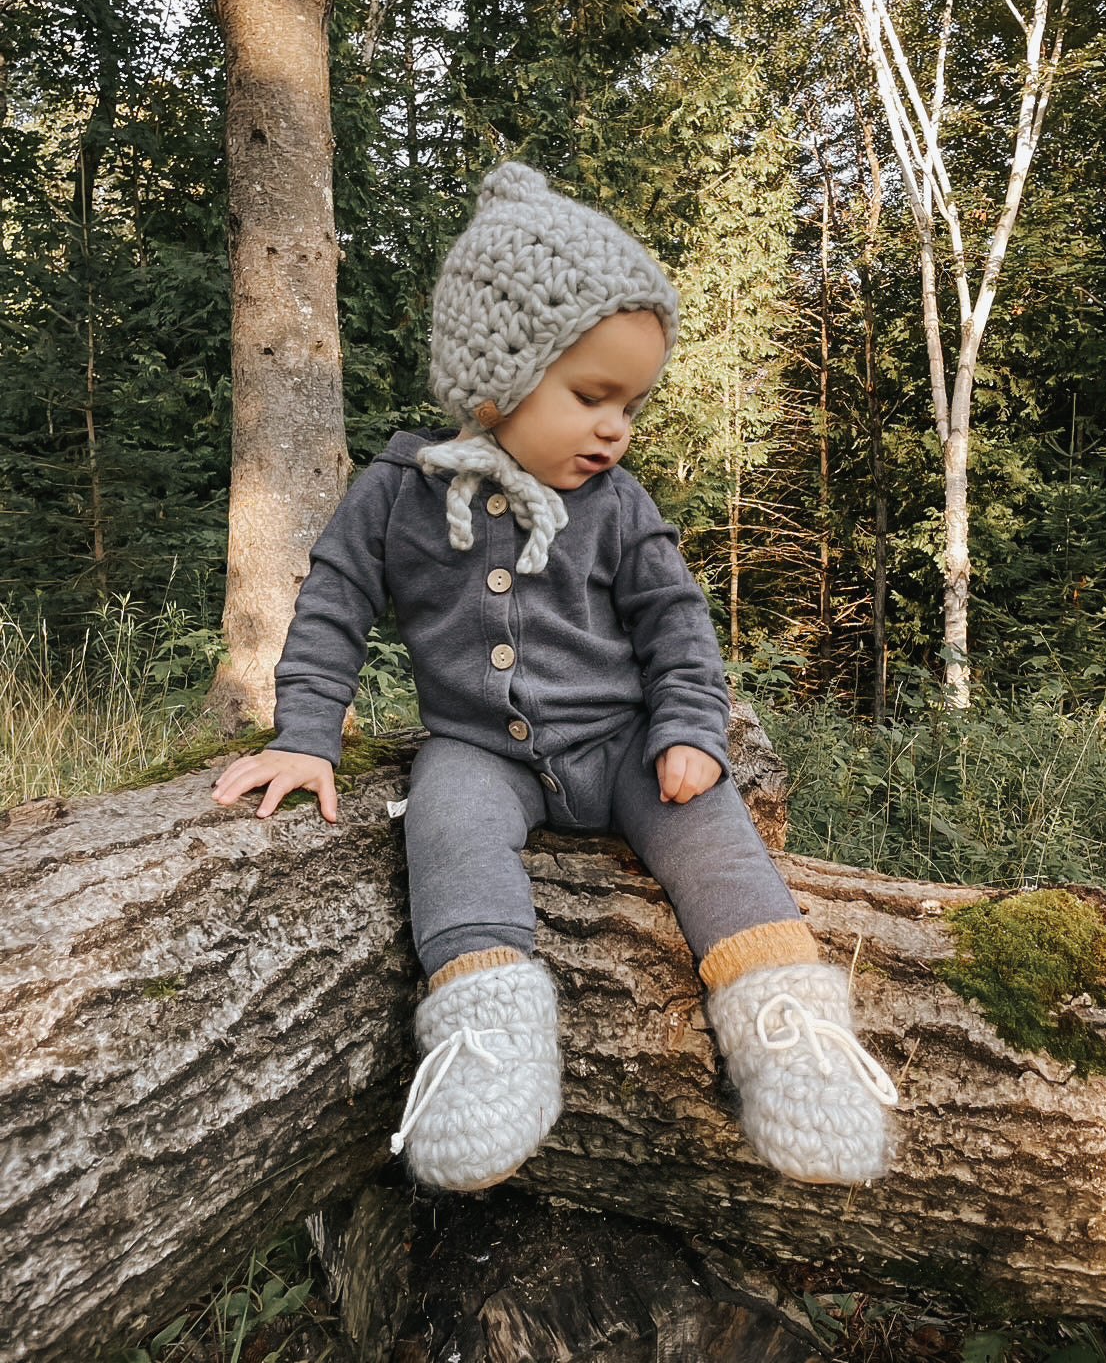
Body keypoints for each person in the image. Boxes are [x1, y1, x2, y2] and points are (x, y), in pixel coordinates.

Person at [212, 161, 897, 1193]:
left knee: (716, 837)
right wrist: (306, 732)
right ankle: (489, 1037)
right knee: (444, 828)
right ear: (493, 377)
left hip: (622, 745)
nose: (617, 426)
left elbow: (678, 625)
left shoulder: (618, 504)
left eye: (632, 402)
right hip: (481, 753)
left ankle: (788, 1032)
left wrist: (689, 730)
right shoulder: (397, 493)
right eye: (592, 395)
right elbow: (335, 604)